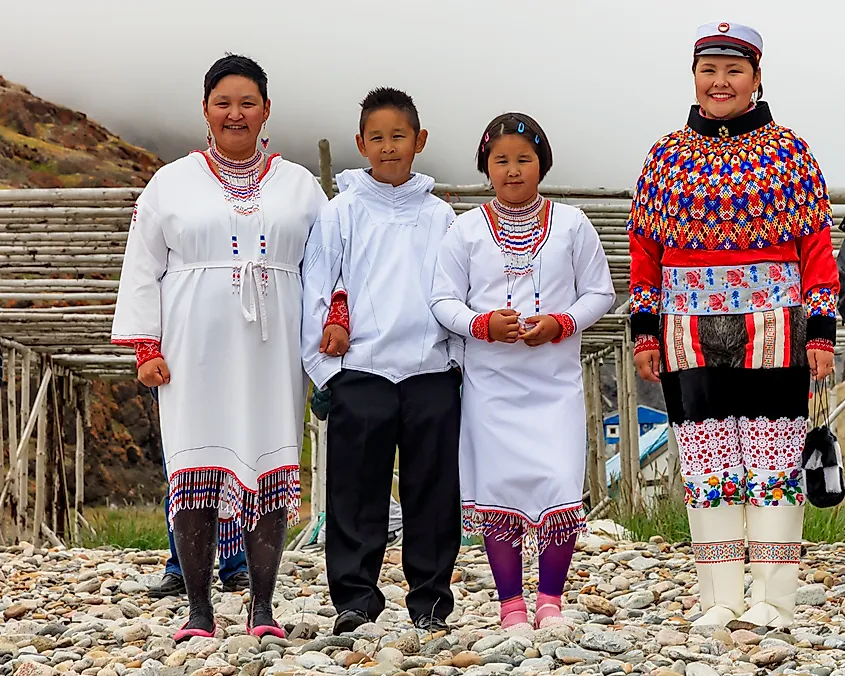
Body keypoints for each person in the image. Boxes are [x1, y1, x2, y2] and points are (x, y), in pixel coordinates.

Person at [111, 54, 329, 641]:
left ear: (266, 110)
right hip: (191, 349)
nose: (236, 114)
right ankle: (199, 612)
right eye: (223, 102)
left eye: (248, 102)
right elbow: (142, 267)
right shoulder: (171, 181)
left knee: (272, 462)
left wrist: (330, 330)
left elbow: (331, 263)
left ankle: (262, 609)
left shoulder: (299, 184)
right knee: (194, 466)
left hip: (272, 345)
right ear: (205, 109)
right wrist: (146, 347)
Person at [628, 23, 839, 628]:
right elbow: (646, 251)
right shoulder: (664, 158)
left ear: (757, 77)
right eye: (708, 69)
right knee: (706, 462)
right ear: (694, 75)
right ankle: (719, 595)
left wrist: (821, 331)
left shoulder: (790, 153)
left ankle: (773, 598)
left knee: (773, 465)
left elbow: (816, 250)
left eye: (733, 70)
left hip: (774, 331)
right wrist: (645, 332)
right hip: (688, 333)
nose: (720, 82)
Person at [429, 113, 615, 631]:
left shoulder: (574, 224)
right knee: (499, 487)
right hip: (492, 387)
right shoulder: (464, 230)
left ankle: (551, 598)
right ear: (486, 167)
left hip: (553, 384)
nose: (513, 171)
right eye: (501, 161)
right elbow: (442, 299)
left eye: (524, 160)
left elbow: (600, 292)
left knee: (559, 481)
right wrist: (481, 324)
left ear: (543, 164)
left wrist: (562, 322)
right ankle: (510, 603)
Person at [301, 87, 462, 635]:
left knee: (433, 492)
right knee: (355, 490)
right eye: (377, 138)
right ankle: (355, 598)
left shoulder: (442, 217)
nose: (388, 148)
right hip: (362, 371)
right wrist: (326, 374)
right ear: (360, 143)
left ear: (419, 141)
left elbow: (457, 293)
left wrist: (457, 366)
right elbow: (315, 291)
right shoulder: (341, 210)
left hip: (430, 371)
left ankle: (431, 601)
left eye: (399, 137)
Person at [147, 386, 249, 598]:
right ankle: (182, 569)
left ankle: (237, 567)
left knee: (234, 468)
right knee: (182, 474)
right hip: (178, 371)